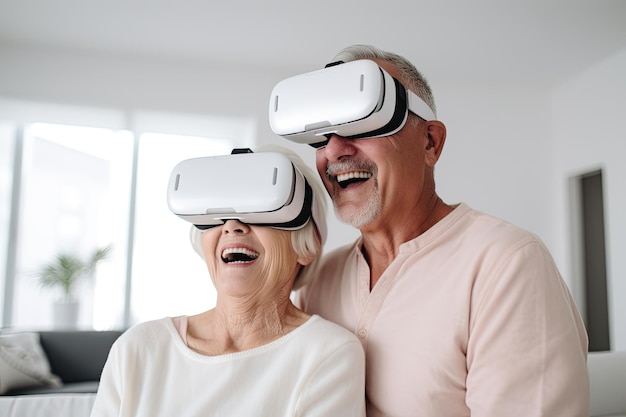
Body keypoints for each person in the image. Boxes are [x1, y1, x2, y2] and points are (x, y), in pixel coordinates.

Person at [287, 45, 589, 416]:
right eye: (324, 132)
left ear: (430, 142)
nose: (334, 150)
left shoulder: (506, 264)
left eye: (362, 122)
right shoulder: (317, 281)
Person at [90, 146, 366, 417]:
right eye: (220, 213)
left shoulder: (328, 354)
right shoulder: (138, 349)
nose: (232, 225)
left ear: (306, 245)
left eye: (261, 210)